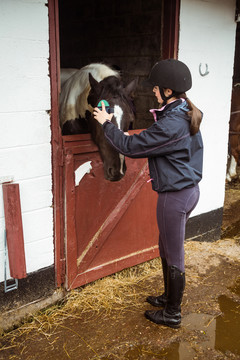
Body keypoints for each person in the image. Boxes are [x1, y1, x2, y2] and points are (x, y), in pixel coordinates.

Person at [93, 59, 203, 329]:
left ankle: (172, 314)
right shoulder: (182, 113)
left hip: (175, 196)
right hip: (185, 191)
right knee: (165, 246)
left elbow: (130, 146)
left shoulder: (172, 124)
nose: (152, 92)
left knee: (174, 253)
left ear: (167, 91)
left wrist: (107, 123)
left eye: (156, 88)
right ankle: (168, 298)